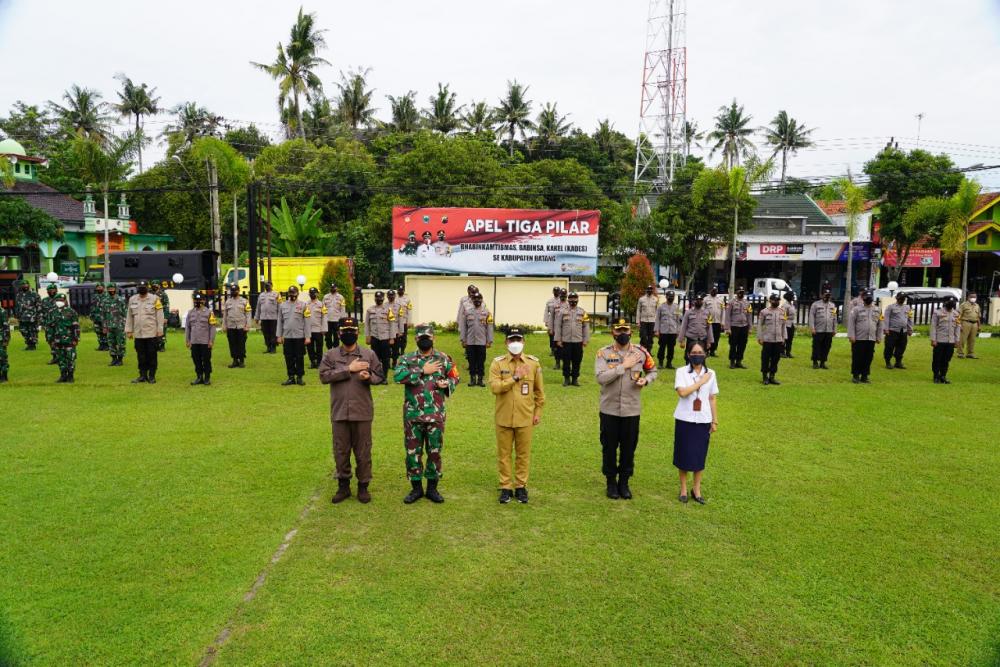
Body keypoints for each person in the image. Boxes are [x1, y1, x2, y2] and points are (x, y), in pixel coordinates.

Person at [319, 317, 383, 504]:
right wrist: (349, 368)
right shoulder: (330, 355)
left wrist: (368, 377)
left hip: (362, 411)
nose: (348, 334)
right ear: (339, 333)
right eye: (344, 331)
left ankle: (363, 486)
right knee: (341, 450)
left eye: (352, 330)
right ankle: (343, 486)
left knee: (363, 450)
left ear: (357, 332)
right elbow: (324, 376)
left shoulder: (368, 354)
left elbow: (380, 375)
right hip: (339, 412)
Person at [393, 324, 459, 504]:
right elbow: (398, 377)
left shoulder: (443, 358)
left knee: (434, 451)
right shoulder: (406, 359)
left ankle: (432, 488)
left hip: (435, 415)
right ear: (415, 339)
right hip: (413, 415)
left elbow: (455, 376)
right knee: (412, 452)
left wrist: (447, 384)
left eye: (427, 337)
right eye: (421, 337)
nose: (424, 340)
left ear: (433, 339)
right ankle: (416, 489)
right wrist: (422, 370)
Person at [594, 319, 657, 500]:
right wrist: (623, 366)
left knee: (629, 448)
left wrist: (647, 380)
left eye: (625, 330)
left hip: (631, 410)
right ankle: (611, 482)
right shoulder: (603, 353)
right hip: (609, 410)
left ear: (631, 332)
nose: (622, 333)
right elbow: (601, 378)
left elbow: (653, 371)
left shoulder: (641, 352)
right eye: (618, 330)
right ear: (613, 333)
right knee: (609, 447)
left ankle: (624, 482)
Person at [489, 328, 545, 504]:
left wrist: (537, 413)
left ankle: (521, 487)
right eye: (512, 339)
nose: (515, 343)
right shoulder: (497, 363)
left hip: (525, 418)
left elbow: (539, 393)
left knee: (523, 454)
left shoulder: (533, 364)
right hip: (503, 417)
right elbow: (495, 388)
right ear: (506, 342)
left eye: (518, 339)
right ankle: (505, 487)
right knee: (504, 454)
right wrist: (515, 377)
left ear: (523, 342)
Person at [672, 343, 718, 504]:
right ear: (688, 354)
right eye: (694, 352)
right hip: (685, 418)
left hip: (703, 419)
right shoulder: (681, 372)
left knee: (700, 456)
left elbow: (712, 398)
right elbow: (682, 392)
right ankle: (684, 488)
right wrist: (700, 382)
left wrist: (714, 420)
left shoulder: (711, 373)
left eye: (700, 352)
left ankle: (696, 489)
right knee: (683, 454)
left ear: (705, 354)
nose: (697, 355)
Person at [125, 280, 165, 384]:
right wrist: (129, 330)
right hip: (138, 333)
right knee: (141, 355)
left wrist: (160, 330)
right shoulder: (132, 299)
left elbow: (160, 315)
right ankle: (142, 375)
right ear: (137, 288)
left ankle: (151, 376)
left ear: (148, 287)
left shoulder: (155, 299)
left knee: (152, 355)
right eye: (140, 287)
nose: (142, 288)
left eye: (144, 287)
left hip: (151, 333)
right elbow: (129, 316)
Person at [277, 285, 310, 386]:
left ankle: (299, 377)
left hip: (299, 336)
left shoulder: (303, 305)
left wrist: (308, 336)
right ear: (288, 294)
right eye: (291, 293)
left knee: (299, 357)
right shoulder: (282, 305)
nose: (292, 295)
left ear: (297, 294)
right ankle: (291, 377)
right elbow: (280, 322)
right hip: (287, 336)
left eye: (294, 293)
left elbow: (307, 322)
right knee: (288, 357)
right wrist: (279, 335)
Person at [847, 289, 883, 384]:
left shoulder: (878, 310)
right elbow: (851, 323)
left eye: (870, 298)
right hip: (858, 338)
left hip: (871, 338)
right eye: (867, 298)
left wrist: (879, 337)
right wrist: (851, 335)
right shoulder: (856, 309)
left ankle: (865, 376)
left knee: (868, 358)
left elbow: (880, 324)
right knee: (857, 357)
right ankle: (855, 376)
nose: (868, 299)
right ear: (863, 299)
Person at [554, 291, 590, 386]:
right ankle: (566, 379)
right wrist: (558, 339)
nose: (573, 301)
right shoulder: (562, 311)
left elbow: (586, 327)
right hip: (566, 341)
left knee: (577, 361)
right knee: (566, 361)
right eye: (571, 300)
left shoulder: (583, 312)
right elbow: (558, 326)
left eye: (575, 300)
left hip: (578, 341)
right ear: (568, 300)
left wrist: (585, 340)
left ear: (577, 300)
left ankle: (575, 379)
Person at [459, 292, 493, 387]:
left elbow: (489, 327)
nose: (477, 300)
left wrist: (489, 340)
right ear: (472, 300)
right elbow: (463, 327)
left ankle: (480, 380)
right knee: (471, 361)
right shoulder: (467, 312)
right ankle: (472, 379)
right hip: (470, 342)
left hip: (482, 342)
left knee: (481, 361)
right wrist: (463, 339)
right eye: (475, 299)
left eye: (479, 299)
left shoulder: (487, 312)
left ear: (482, 300)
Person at [185, 291, 217, 385]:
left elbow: (212, 327)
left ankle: (207, 377)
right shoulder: (190, 313)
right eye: (196, 300)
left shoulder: (209, 313)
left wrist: (211, 340)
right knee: (196, 359)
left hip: (205, 341)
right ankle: (199, 377)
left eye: (199, 300)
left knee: (206, 360)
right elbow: (188, 327)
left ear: (204, 300)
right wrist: (187, 340)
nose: (197, 302)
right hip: (194, 341)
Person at [365, 290, 395, 383]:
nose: (379, 300)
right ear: (375, 299)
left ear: (383, 299)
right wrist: (367, 336)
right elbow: (367, 324)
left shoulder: (388, 310)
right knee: (375, 359)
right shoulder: (370, 310)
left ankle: (384, 378)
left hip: (385, 338)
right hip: (374, 338)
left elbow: (392, 324)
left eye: (380, 298)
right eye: (377, 298)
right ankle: (376, 377)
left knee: (386, 359)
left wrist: (392, 337)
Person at [757, 293, 786, 385]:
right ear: (770, 301)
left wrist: (784, 337)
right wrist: (760, 337)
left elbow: (783, 326)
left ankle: (772, 377)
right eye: (774, 300)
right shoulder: (764, 312)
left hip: (778, 339)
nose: (776, 302)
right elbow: (759, 326)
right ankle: (765, 377)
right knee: (765, 358)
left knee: (775, 359)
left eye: (778, 300)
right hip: (767, 339)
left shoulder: (782, 311)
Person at [930, 297, 961, 384]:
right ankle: (936, 376)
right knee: (937, 359)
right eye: (949, 302)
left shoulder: (956, 314)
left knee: (946, 359)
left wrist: (957, 340)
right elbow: (933, 326)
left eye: (953, 302)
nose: (951, 304)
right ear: (945, 303)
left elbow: (958, 327)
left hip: (950, 341)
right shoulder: (937, 312)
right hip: (939, 340)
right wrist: (933, 339)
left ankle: (943, 376)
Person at [50, 293, 80, 383]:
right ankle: (63, 375)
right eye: (58, 300)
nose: (60, 302)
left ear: (66, 301)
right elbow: (50, 327)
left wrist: (76, 339)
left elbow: (76, 327)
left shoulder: (71, 312)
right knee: (60, 358)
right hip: (57, 339)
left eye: (62, 300)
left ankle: (70, 376)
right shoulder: (52, 312)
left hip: (69, 339)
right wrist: (50, 339)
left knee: (70, 358)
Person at [678, 293, 714, 362]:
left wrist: (709, 341)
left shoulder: (707, 313)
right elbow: (683, 326)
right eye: (697, 300)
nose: (699, 301)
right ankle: (689, 371)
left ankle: (700, 372)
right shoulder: (688, 312)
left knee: (702, 358)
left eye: (700, 300)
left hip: (702, 339)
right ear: (694, 301)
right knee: (688, 358)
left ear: (702, 301)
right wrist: (682, 340)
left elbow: (709, 328)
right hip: (691, 338)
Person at [222, 284, 251, 368]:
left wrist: (247, 326)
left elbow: (248, 314)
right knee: (232, 344)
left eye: (235, 290)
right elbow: (225, 315)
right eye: (232, 291)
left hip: (241, 326)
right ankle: (235, 360)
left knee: (241, 344)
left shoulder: (244, 301)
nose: (233, 292)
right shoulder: (228, 302)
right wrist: (224, 326)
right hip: (231, 326)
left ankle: (241, 361)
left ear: (239, 291)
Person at [723, 288, 752, 370]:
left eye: (742, 292)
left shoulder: (747, 303)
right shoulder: (731, 302)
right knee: (733, 344)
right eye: (739, 292)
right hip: (734, 326)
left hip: (744, 326)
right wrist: (727, 328)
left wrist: (750, 328)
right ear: (736, 293)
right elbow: (727, 315)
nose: (741, 294)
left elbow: (749, 315)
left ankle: (739, 361)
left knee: (742, 345)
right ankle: (732, 361)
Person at [882, 292, 913, 369]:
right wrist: (886, 329)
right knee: (889, 347)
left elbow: (910, 319)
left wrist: (910, 329)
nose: (902, 299)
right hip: (892, 330)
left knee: (902, 347)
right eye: (901, 298)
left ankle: (898, 362)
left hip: (903, 331)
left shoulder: (907, 307)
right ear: (897, 298)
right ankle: (888, 362)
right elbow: (886, 319)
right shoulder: (890, 307)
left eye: (904, 298)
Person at [808, 290, 837, 369]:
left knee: (826, 346)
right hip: (818, 329)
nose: (826, 296)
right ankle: (815, 362)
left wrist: (835, 329)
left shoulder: (833, 305)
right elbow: (811, 317)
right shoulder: (815, 304)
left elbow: (834, 318)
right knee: (816, 346)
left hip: (829, 330)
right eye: (825, 295)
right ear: (821, 295)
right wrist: (812, 328)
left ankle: (823, 362)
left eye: (828, 295)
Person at [654, 291, 682, 370]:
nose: (671, 298)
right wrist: (656, 330)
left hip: (673, 331)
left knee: (671, 348)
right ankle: (660, 363)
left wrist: (678, 331)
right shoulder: (661, 307)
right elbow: (657, 319)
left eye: (672, 297)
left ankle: (669, 363)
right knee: (662, 347)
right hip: (663, 331)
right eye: (669, 296)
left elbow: (678, 320)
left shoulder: (677, 307)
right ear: (666, 297)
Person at [103, 283, 127, 367]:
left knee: (121, 343)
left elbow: (125, 313)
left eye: (112, 289)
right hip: (109, 325)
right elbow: (104, 314)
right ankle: (113, 359)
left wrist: (125, 325)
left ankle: (120, 359)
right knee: (111, 343)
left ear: (115, 289)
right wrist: (104, 326)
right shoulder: (105, 301)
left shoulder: (120, 299)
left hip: (120, 325)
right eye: (109, 289)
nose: (111, 291)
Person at [13, 280, 41, 350]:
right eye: (23, 285)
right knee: (23, 331)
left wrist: (38, 316)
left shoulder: (34, 294)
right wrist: (16, 315)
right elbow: (17, 306)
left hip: (32, 317)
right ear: (21, 286)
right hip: (22, 317)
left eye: (26, 285)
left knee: (32, 331)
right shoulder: (19, 295)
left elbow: (39, 306)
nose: (25, 286)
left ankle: (32, 345)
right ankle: (28, 343)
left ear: (29, 285)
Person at [255, 280, 280, 353]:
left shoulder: (276, 294)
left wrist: (280, 317)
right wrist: (256, 317)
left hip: (273, 317)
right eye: (266, 285)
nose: (267, 286)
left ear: (272, 286)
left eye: (268, 285)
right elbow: (258, 307)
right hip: (264, 317)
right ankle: (268, 347)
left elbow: (280, 306)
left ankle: (273, 348)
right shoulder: (261, 295)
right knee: (265, 333)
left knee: (273, 333)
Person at [305, 287, 327, 369]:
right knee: (309, 348)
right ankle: (312, 362)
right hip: (309, 330)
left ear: (317, 294)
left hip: (318, 330)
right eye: (311, 293)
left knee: (319, 347)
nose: (312, 295)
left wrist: (324, 329)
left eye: (314, 293)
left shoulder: (321, 304)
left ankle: (319, 362)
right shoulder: (306, 304)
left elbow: (324, 317)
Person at [957, 292, 982, 359]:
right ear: (968, 297)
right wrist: (959, 324)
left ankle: (970, 353)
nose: (973, 298)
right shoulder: (963, 305)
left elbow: (978, 317)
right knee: (962, 339)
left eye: (975, 297)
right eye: (972, 297)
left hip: (975, 324)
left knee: (972, 339)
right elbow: (959, 315)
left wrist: (979, 325)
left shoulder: (977, 306)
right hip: (965, 322)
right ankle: (960, 353)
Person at [323, 283, 347, 350]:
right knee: (328, 337)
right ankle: (329, 350)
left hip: (337, 320)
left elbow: (343, 309)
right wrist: (323, 320)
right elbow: (323, 309)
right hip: (328, 320)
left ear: (337, 288)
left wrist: (342, 321)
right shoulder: (325, 297)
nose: (333, 289)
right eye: (332, 288)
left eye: (334, 288)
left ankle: (336, 350)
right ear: (330, 288)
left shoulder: (341, 297)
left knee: (336, 336)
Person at [635, 285, 659, 351]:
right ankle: (643, 351)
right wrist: (637, 322)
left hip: (652, 321)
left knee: (651, 338)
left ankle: (649, 352)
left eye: (651, 289)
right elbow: (638, 310)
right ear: (646, 290)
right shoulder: (641, 299)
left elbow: (657, 311)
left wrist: (657, 322)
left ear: (652, 290)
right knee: (643, 337)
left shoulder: (655, 299)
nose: (649, 290)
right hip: (643, 320)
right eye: (648, 289)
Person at [40, 283, 59, 364]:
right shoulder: (44, 300)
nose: (52, 291)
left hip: (59, 325)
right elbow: (41, 312)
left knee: (59, 340)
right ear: (47, 291)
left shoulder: (60, 299)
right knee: (50, 340)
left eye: (53, 290)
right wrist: (42, 323)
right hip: (48, 325)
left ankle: (61, 357)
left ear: (56, 290)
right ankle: (55, 357)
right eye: (50, 290)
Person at [703, 287, 724, 357]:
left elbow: (723, 311)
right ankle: (706, 351)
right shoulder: (705, 299)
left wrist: (722, 322)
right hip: (708, 321)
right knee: (708, 336)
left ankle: (713, 351)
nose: (714, 291)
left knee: (716, 337)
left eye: (715, 290)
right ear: (710, 290)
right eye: (713, 290)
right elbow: (702, 310)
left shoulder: (720, 300)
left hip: (717, 322)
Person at [149, 282, 170, 351]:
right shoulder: (149, 294)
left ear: (159, 285)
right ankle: (155, 345)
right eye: (153, 285)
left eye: (156, 285)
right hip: (151, 315)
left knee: (162, 330)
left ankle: (162, 346)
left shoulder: (163, 294)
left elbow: (167, 306)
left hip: (161, 315)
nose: (154, 286)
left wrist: (166, 317)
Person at [544, 285, 562, 361]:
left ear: (559, 292)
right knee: (551, 336)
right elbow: (546, 312)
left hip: (560, 321)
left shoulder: (563, 301)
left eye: (557, 291)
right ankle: (552, 350)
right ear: (553, 292)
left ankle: (559, 349)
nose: (556, 293)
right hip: (551, 321)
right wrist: (546, 321)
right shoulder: (549, 301)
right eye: (555, 291)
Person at [394, 284, 412, 360]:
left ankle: (402, 351)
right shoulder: (394, 299)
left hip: (404, 321)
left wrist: (409, 321)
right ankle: (397, 351)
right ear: (397, 291)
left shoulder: (408, 300)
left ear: (404, 291)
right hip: (396, 322)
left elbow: (409, 311)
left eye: (402, 290)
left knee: (404, 338)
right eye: (399, 290)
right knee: (397, 337)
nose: (400, 291)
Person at [91, 282, 108, 351]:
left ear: (103, 288)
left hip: (104, 317)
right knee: (98, 332)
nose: (99, 288)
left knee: (105, 332)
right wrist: (92, 315)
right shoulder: (95, 296)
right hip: (96, 317)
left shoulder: (107, 296)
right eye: (98, 287)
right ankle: (101, 345)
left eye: (100, 287)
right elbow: (93, 306)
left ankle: (107, 345)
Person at [781, 291, 797, 358]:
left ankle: (788, 352)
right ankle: (782, 352)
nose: (793, 297)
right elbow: (783, 315)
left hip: (791, 324)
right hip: (786, 324)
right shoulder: (785, 305)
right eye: (792, 296)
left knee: (790, 339)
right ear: (789, 297)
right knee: (784, 338)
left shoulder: (792, 305)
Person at [0, 304, 10, 382]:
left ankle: (4, 375)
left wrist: (6, 339)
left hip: (1, 338)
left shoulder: (2, 312)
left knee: (2, 357)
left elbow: (6, 327)